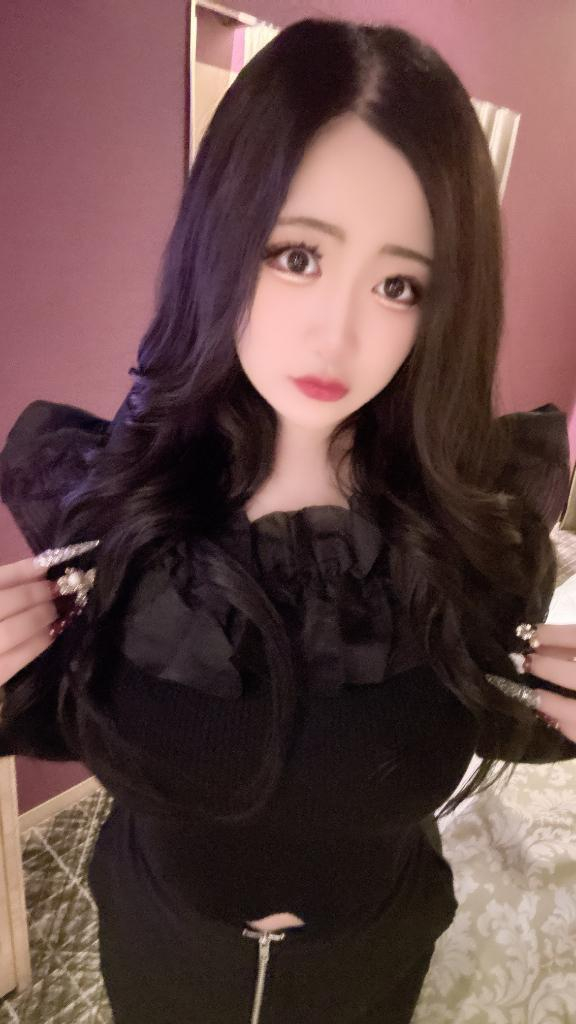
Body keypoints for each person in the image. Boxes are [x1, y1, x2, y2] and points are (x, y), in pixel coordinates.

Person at [1, 17, 575, 1024]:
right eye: (297, 254)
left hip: (373, 963)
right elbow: (76, 712)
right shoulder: (110, 499)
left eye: (398, 283)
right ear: (223, 237)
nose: (336, 333)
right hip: (162, 955)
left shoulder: (470, 524)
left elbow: (481, 707)